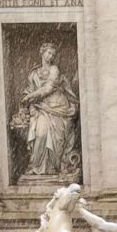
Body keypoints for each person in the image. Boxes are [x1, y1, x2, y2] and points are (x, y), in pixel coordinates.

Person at [19, 42, 79, 177]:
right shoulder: (34, 73)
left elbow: (48, 89)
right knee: (40, 134)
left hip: (57, 109)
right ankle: (37, 167)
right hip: (41, 109)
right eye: (48, 53)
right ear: (42, 52)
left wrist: (30, 96)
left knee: (55, 140)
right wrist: (26, 96)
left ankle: (52, 168)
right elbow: (29, 89)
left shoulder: (54, 70)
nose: (50, 56)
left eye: (53, 54)